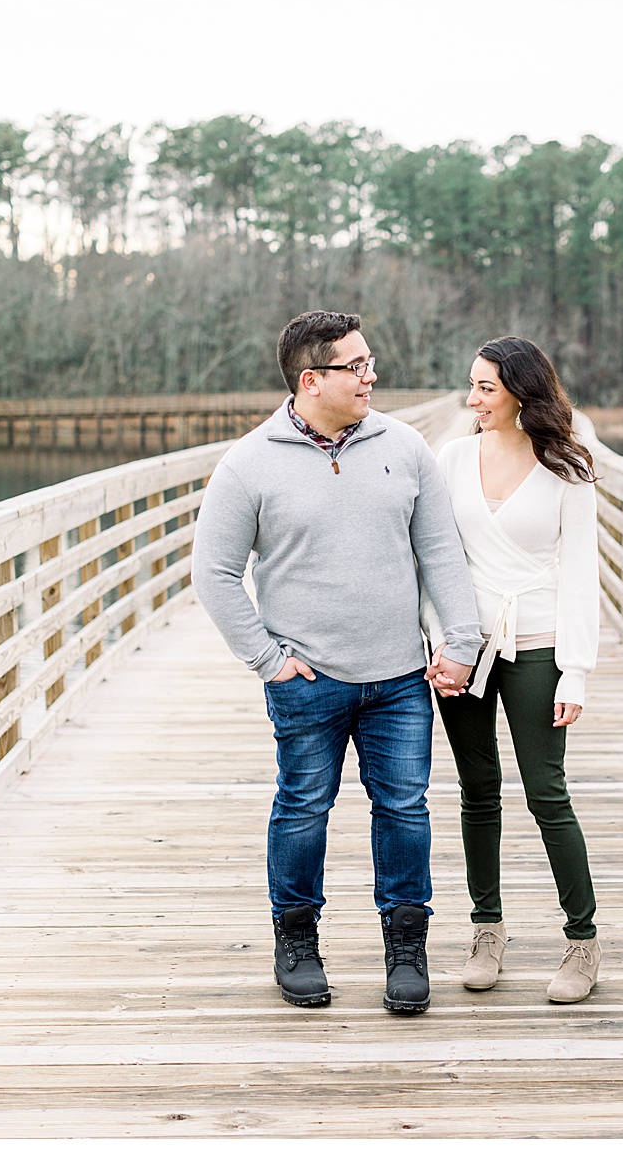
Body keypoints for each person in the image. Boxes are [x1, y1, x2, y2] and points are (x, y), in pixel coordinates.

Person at [192, 310, 482, 1014]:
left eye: (369, 361)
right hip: (307, 680)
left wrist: (462, 640)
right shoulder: (250, 462)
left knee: (405, 810)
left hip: (398, 678)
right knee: (301, 810)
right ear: (310, 378)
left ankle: (406, 948)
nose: (370, 375)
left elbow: (440, 550)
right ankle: (296, 942)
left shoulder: (405, 446)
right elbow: (214, 573)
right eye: (356, 366)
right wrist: (268, 659)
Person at [424, 336, 603, 1003]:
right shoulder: (451, 458)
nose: (471, 400)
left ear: (522, 392)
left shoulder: (566, 468)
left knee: (546, 793)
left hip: (537, 642)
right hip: (467, 645)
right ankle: (486, 931)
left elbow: (581, 575)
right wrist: (442, 643)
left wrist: (575, 671)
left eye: (484, 389)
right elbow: (432, 559)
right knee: (478, 788)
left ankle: (582, 944)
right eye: (470, 386)